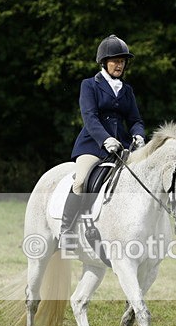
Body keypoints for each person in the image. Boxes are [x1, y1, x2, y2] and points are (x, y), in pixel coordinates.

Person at [59, 34, 146, 246]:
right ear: (104, 62)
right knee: (80, 181)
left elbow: (135, 119)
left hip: (122, 146)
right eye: (115, 60)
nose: (119, 65)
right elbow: (90, 117)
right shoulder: (89, 85)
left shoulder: (127, 90)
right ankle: (67, 230)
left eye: (122, 61)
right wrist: (105, 139)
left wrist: (139, 134)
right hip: (93, 144)